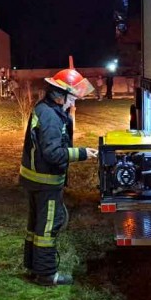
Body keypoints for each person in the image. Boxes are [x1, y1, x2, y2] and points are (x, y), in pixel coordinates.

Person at [20, 67, 98, 286]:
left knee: (36, 226)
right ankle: (46, 274)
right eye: (72, 96)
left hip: (36, 179)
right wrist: (83, 153)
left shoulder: (46, 109)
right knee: (47, 227)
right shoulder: (51, 116)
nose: (74, 101)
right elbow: (53, 153)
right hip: (46, 181)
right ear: (59, 94)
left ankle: (33, 266)